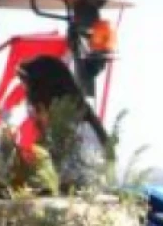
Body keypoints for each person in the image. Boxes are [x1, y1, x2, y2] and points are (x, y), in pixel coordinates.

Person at [15, 56, 112, 191]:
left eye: (35, 107)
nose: (34, 116)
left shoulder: (81, 134)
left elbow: (81, 189)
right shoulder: (59, 136)